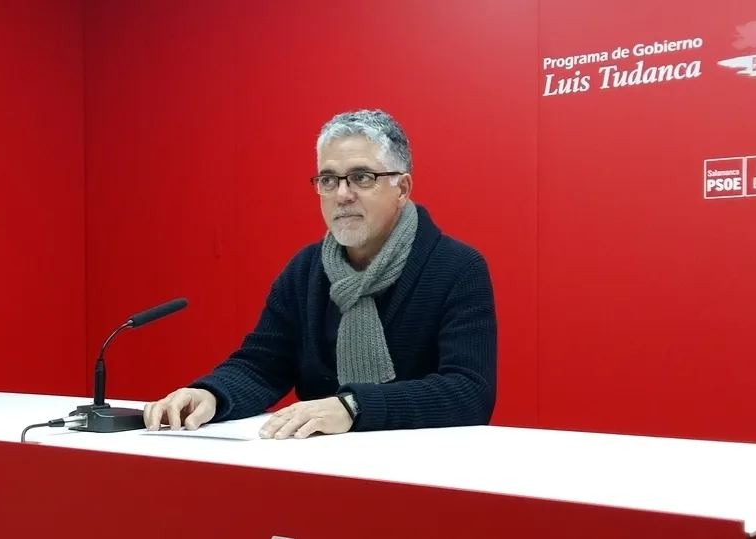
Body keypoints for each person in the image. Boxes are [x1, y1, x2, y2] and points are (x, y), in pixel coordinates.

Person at [143, 109, 497, 439]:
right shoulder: (306, 270)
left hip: (421, 467)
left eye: (361, 177)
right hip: (318, 463)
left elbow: (469, 391)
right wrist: (210, 395)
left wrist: (353, 406)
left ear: (402, 189)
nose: (342, 195)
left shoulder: (457, 267)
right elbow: (263, 365)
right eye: (328, 180)